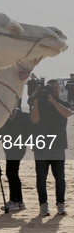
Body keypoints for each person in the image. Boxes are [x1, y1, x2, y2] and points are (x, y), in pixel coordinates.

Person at [29, 78, 71, 216]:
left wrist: (53, 102)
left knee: (60, 178)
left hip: (58, 146)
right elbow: (34, 120)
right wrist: (35, 101)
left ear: (59, 89)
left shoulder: (63, 103)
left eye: (56, 87)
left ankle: (60, 204)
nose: (54, 89)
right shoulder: (39, 103)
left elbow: (67, 113)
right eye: (51, 88)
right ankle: (43, 205)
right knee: (41, 178)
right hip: (41, 147)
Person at [0, 109, 32, 211]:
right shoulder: (3, 117)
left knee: (11, 173)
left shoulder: (24, 116)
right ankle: (19, 202)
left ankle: (14, 201)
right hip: (9, 149)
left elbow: (29, 131)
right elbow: (0, 132)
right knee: (13, 173)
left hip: (18, 148)